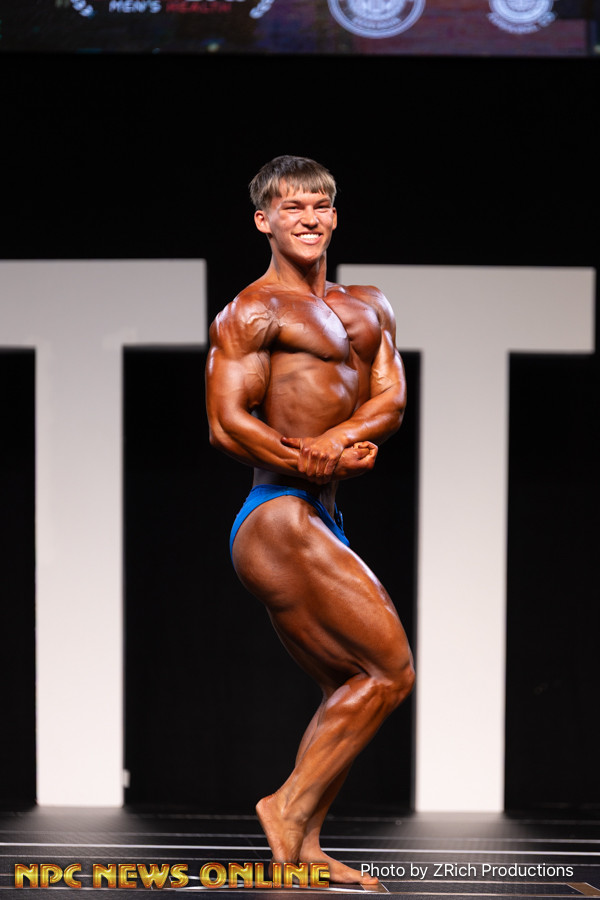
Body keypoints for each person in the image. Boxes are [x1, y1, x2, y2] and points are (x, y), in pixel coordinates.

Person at [205, 155, 415, 886]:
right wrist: (311, 458)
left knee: (350, 684)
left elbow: (389, 399)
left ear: (335, 216)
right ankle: (286, 807)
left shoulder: (370, 306)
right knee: (391, 671)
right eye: (292, 208)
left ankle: (305, 849)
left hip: (321, 514)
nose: (309, 219)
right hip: (278, 513)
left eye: (320, 206)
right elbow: (227, 423)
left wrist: (337, 441)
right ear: (263, 221)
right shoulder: (252, 311)